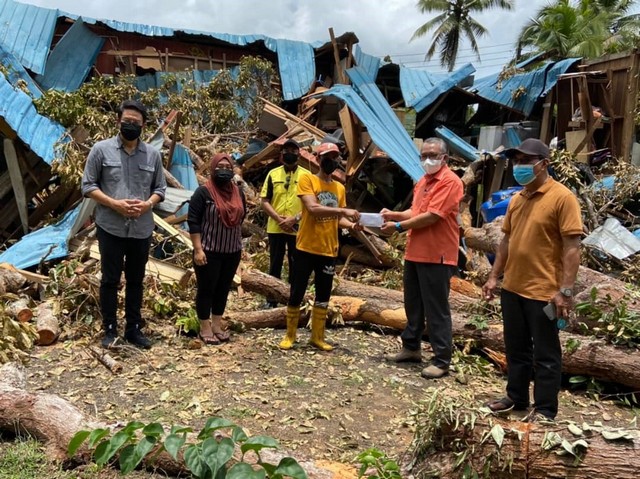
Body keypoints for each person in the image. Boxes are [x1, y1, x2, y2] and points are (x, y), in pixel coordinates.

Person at [483, 138, 582, 422]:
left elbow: (572, 247)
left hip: (544, 292)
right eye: (517, 161)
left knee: (546, 354)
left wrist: (565, 291)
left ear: (544, 164)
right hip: (513, 287)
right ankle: (516, 397)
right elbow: (506, 241)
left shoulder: (562, 198)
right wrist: (494, 277)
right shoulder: (517, 199)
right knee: (516, 348)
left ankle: (546, 409)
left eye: (526, 161)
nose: (519, 166)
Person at [81, 100, 167, 349]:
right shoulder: (101, 150)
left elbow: (160, 189)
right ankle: (110, 329)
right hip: (111, 227)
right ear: (118, 121)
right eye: (127, 121)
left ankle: (133, 329)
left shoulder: (152, 155)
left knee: (136, 280)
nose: (131, 125)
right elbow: (88, 186)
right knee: (110, 279)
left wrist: (147, 204)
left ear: (143, 125)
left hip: (141, 228)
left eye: (136, 122)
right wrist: (114, 203)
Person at [381, 138, 463, 379]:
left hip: (437, 255)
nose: (428, 159)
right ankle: (411, 348)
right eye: (424, 155)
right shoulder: (423, 181)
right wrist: (394, 214)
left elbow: (432, 216)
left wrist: (398, 226)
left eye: (432, 155)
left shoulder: (450, 182)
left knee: (436, 309)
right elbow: (416, 212)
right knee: (413, 304)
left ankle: (441, 359)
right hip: (415, 252)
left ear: (444, 158)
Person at [279, 142, 362, 351]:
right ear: (317, 158)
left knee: (323, 295)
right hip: (306, 247)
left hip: (328, 248)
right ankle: (290, 335)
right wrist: (343, 212)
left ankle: (317, 336)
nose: (331, 161)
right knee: (297, 291)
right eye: (327, 157)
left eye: (335, 157)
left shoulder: (339, 188)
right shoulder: (308, 179)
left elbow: (339, 220)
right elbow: (312, 208)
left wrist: (352, 225)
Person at [188, 153, 246, 345]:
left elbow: (242, 217)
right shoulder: (203, 193)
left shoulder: (238, 192)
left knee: (223, 288)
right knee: (207, 289)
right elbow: (193, 221)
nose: (224, 170)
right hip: (208, 250)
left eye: (228, 167)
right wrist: (198, 249)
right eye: (220, 167)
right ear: (213, 169)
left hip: (232, 250)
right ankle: (204, 327)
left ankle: (216, 325)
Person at [260, 139, 310, 308]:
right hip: (276, 228)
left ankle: (293, 299)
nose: (290, 154)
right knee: (275, 264)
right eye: (286, 151)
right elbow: (264, 200)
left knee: (296, 265)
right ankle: (271, 300)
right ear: (281, 154)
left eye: (293, 151)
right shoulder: (272, 174)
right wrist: (278, 219)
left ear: (299, 154)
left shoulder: (307, 176)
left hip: (298, 228)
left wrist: (294, 219)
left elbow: (312, 204)